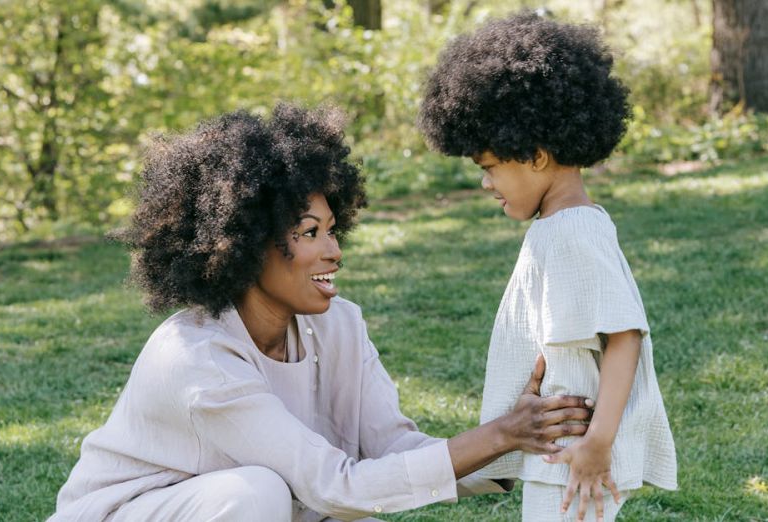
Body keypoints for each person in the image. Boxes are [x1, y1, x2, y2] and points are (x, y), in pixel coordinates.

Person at [49, 104, 595, 521]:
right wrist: (499, 435)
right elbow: (335, 485)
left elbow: (392, 449)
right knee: (256, 493)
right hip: (132, 512)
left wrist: (522, 444)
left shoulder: (339, 325)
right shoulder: (196, 358)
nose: (333, 250)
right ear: (243, 244)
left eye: (332, 229)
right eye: (308, 233)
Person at [417, 12, 678, 522]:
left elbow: (624, 336)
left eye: (490, 168)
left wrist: (598, 444)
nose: (486, 184)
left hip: (576, 455)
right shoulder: (559, 227)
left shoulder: (573, 230)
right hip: (556, 450)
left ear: (535, 155)